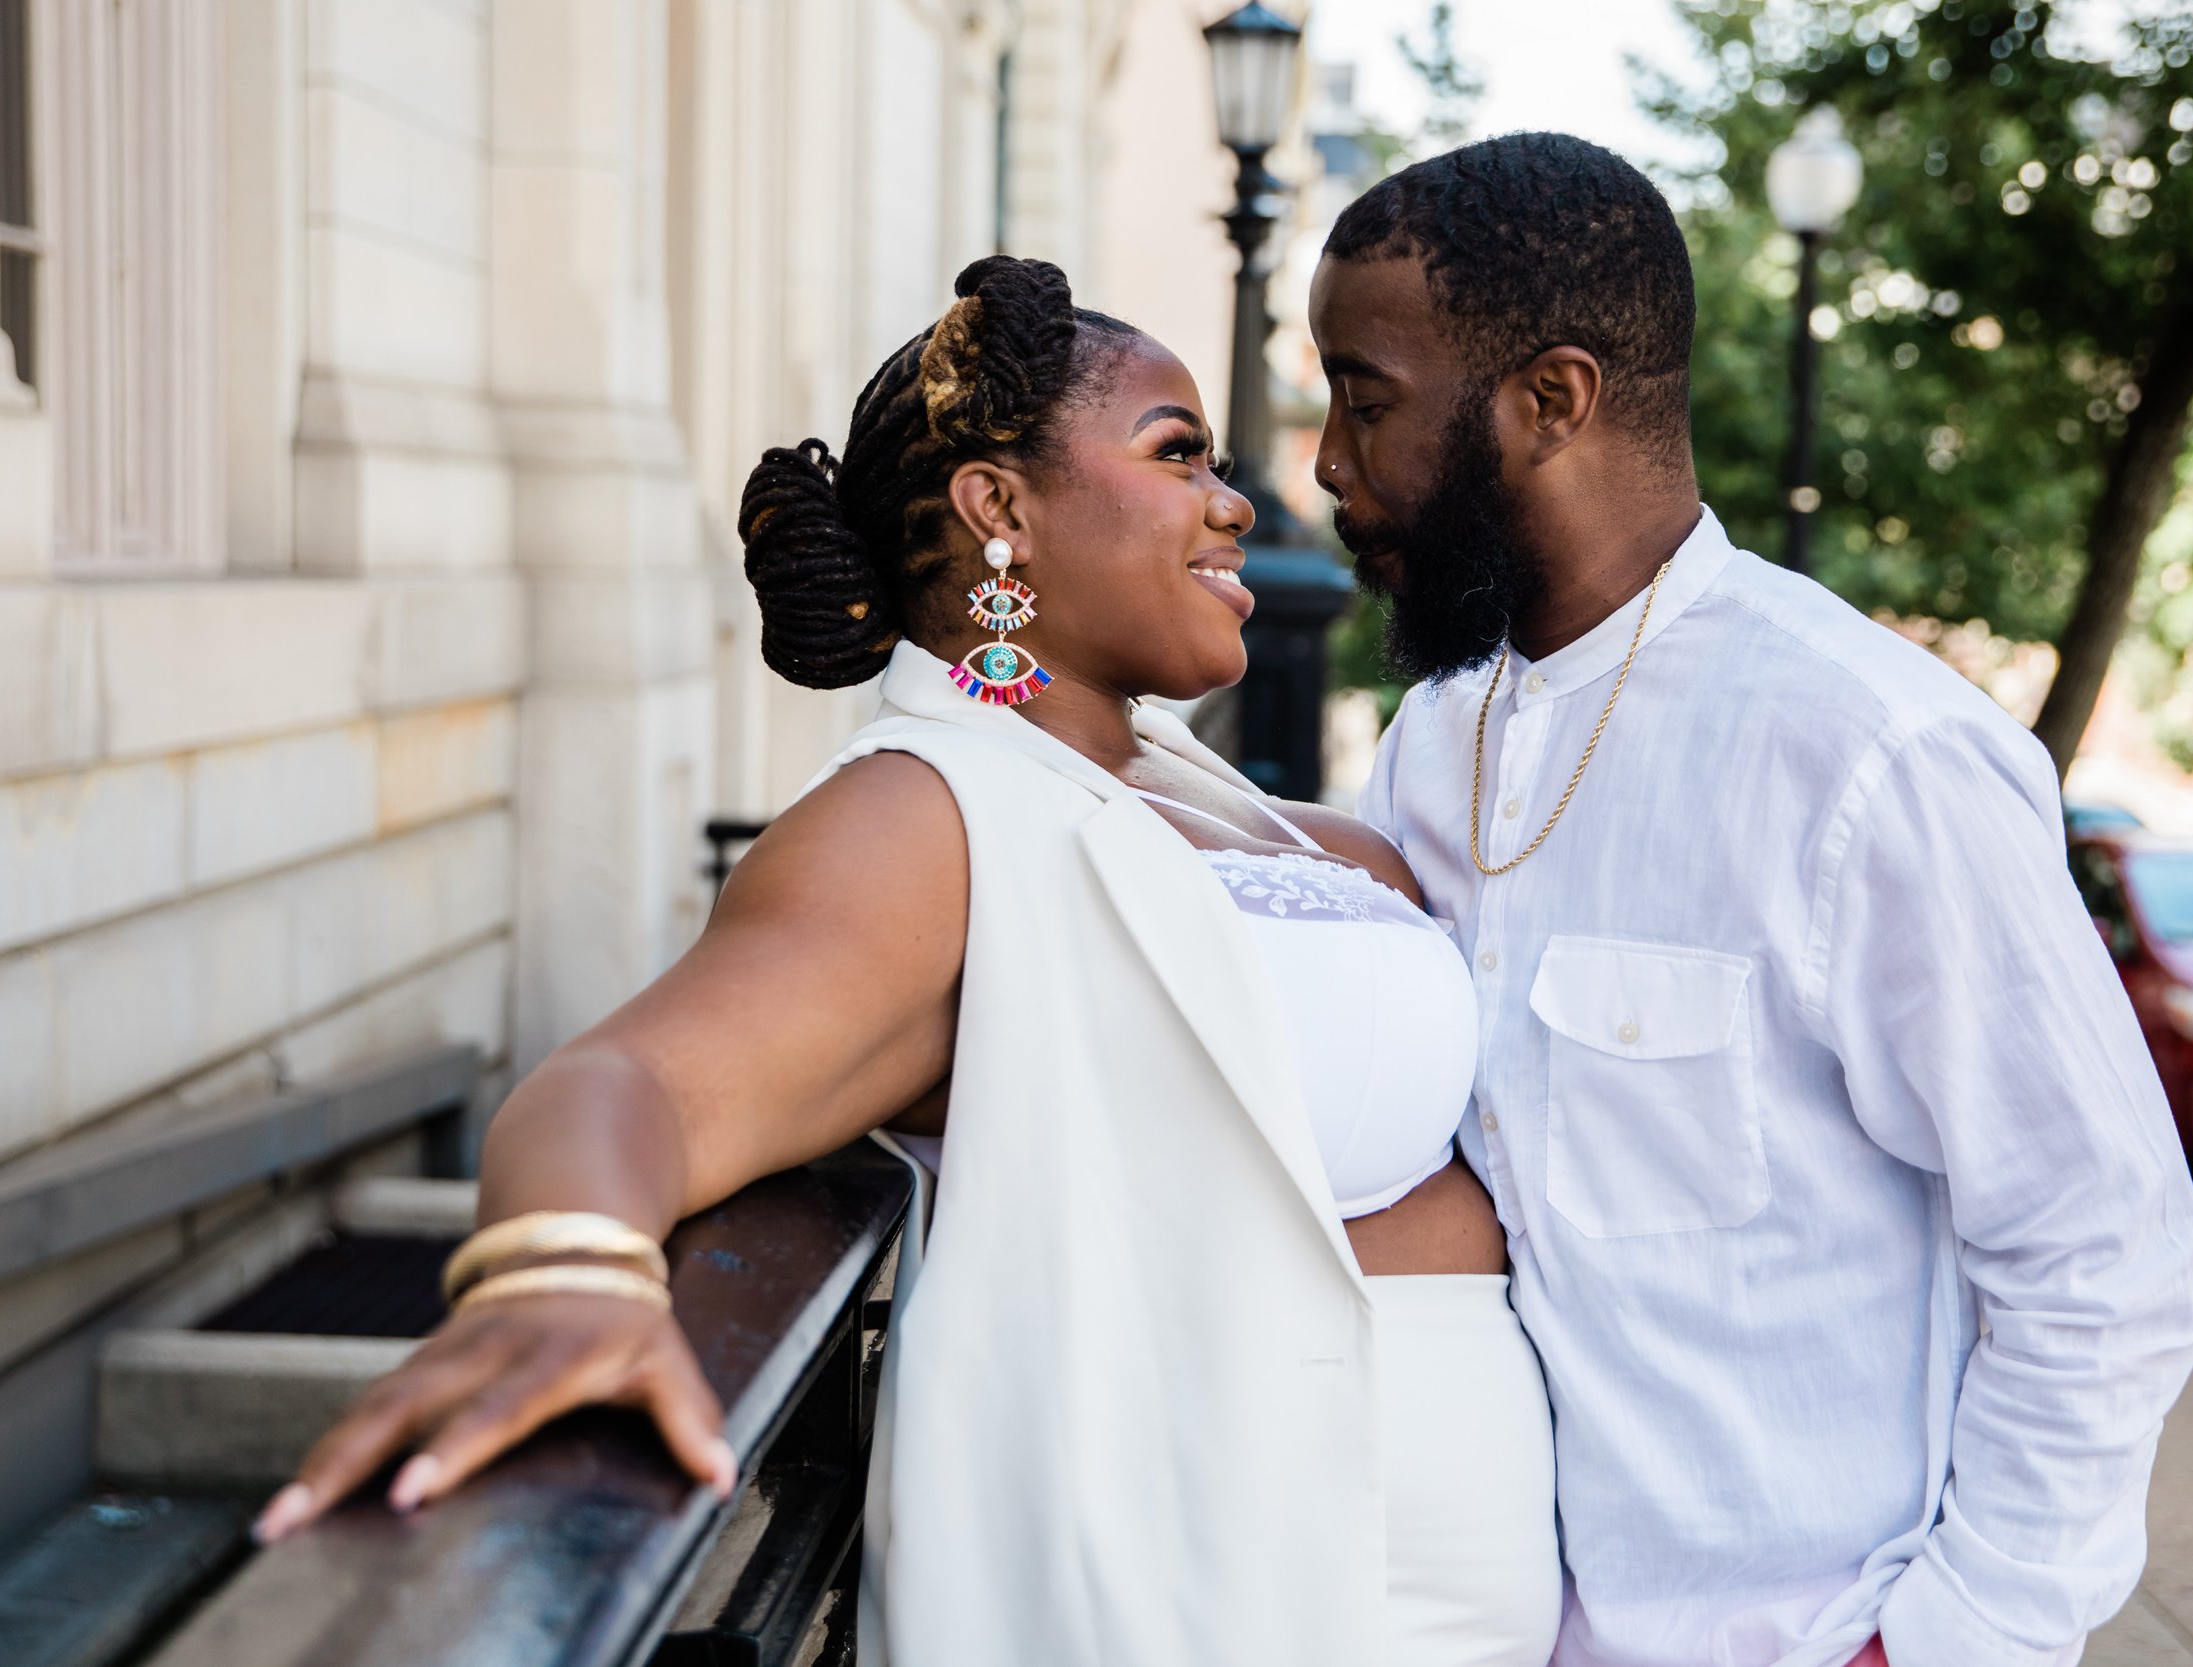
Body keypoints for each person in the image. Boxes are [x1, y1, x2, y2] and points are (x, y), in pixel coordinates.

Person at [250, 255, 1560, 1666]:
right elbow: (630, 1080)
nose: (1237, 503)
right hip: (1231, 1594)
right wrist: (563, 1272)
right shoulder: (924, 812)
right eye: (1179, 454)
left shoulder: (1254, 813)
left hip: (1468, 1598)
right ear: (1000, 509)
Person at [1309, 132, 2193, 1667]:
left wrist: (1948, 1638)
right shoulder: (1433, 748)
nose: (1330, 463)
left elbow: (2103, 1257)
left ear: (1553, 400)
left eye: (1366, 398)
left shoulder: (1871, 755)